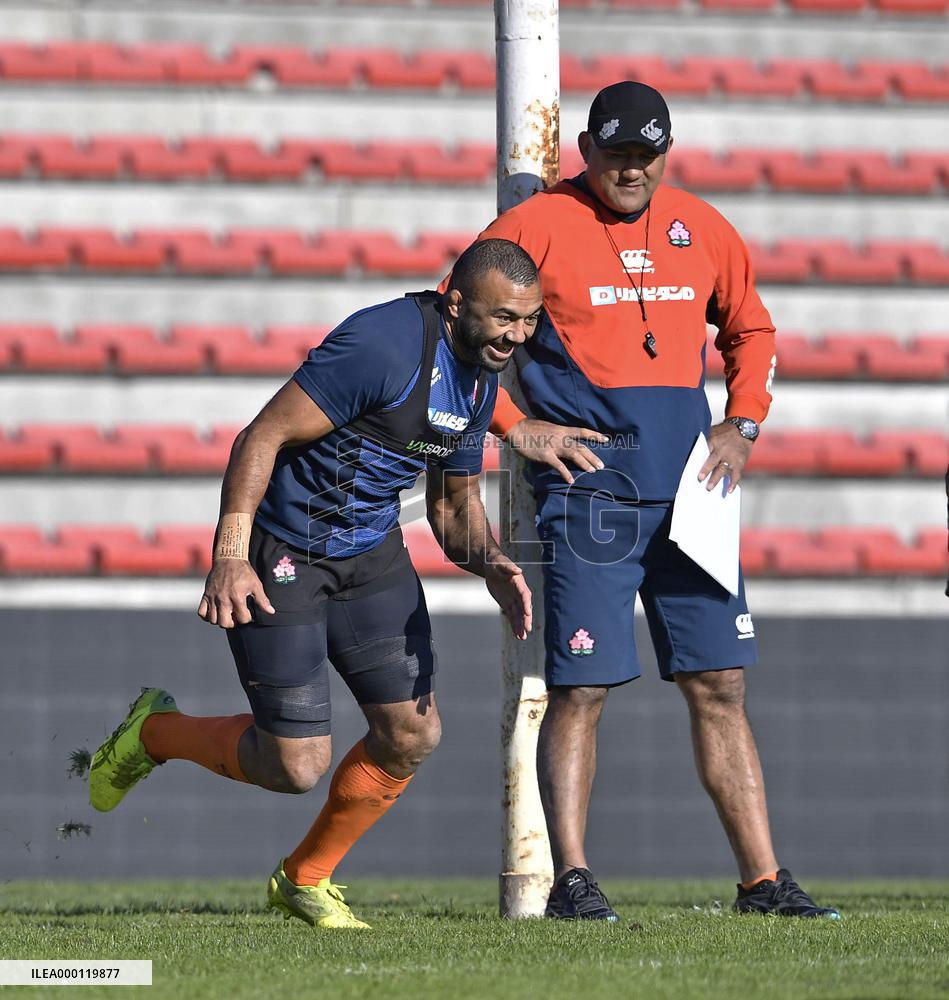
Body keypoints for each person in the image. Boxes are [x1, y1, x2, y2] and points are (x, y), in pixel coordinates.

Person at [88, 239, 543, 930]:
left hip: (371, 558)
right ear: (455, 303)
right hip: (285, 552)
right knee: (294, 767)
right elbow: (260, 437)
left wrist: (491, 564)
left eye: (528, 320)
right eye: (503, 318)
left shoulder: (482, 373)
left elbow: (451, 509)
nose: (516, 334)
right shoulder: (383, 344)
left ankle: (305, 878)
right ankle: (155, 732)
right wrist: (230, 556)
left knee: (411, 735)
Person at [478, 82, 839, 920]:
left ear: (664, 152)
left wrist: (742, 423)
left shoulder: (702, 226)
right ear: (585, 151)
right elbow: (459, 326)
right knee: (583, 686)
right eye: (616, 155)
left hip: (692, 494)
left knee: (720, 683)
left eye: (647, 155)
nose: (632, 171)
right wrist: (513, 426)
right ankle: (570, 879)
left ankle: (761, 881)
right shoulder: (534, 226)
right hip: (591, 493)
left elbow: (751, 329)